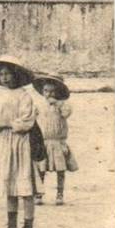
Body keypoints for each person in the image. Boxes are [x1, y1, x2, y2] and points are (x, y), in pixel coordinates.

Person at [0, 55, 41, 228]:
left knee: (24, 188)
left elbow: (26, 122)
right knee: (9, 185)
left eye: (8, 74)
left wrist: (5, 123)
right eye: (2, 74)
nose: (5, 78)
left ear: (16, 75)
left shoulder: (24, 96)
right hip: (2, 144)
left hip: (20, 144)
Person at [32, 73, 78, 206]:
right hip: (44, 142)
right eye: (46, 90)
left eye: (53, 91)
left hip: (57, 142)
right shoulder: (39, 105)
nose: (49, 94)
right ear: (42, 91)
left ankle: (60, 193)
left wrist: (58, 104)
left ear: (58, 92)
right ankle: (39, 194)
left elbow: (66, 113)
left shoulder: (63, 105)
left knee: (60, 169)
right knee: (41, 169)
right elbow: (32, 117)